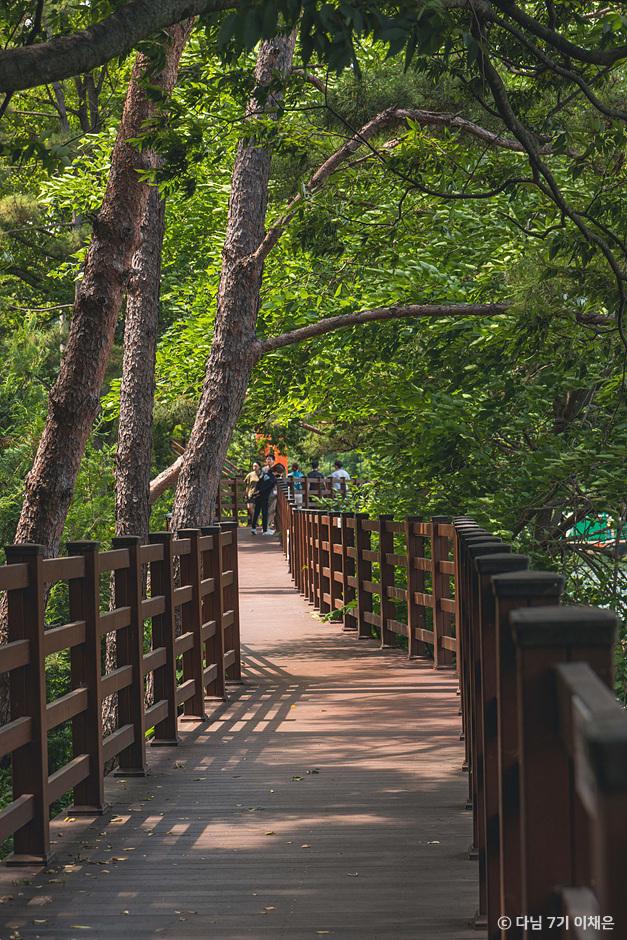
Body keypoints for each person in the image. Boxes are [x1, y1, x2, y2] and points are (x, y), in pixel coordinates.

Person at [251, 462, 277, 535]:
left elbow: (259, 483)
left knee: (256, 512)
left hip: (258, 496)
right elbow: (266, 488)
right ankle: (265, 530)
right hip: (264, 496)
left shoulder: (265, 475)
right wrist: (259, 492)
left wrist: (256, 492)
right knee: (264, 513)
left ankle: (253, 528)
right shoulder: (273, 479)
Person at [265, 453, 279, 533]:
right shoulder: (263, 470)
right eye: (267, 459)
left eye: (270, 459)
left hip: (274, 492)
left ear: (273, 461)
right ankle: (266, 527)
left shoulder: (277, 469)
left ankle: (268, 526)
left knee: (272, 509)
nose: (268, 461)